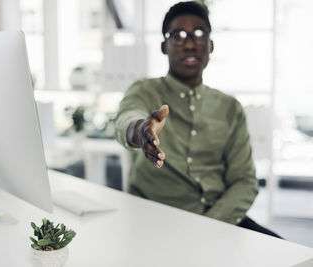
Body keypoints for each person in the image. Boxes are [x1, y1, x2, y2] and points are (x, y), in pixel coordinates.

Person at [114, 1, 281, 238]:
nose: (190, 44)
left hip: (221, 219)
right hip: (156, 221)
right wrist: (140, 130)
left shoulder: (229, 108)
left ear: (210, 45)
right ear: (164, 46)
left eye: (199, 33)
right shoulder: (145, 91)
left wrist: (208, 226)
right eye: (178, 35)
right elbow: (126, 118)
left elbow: (244, 182)